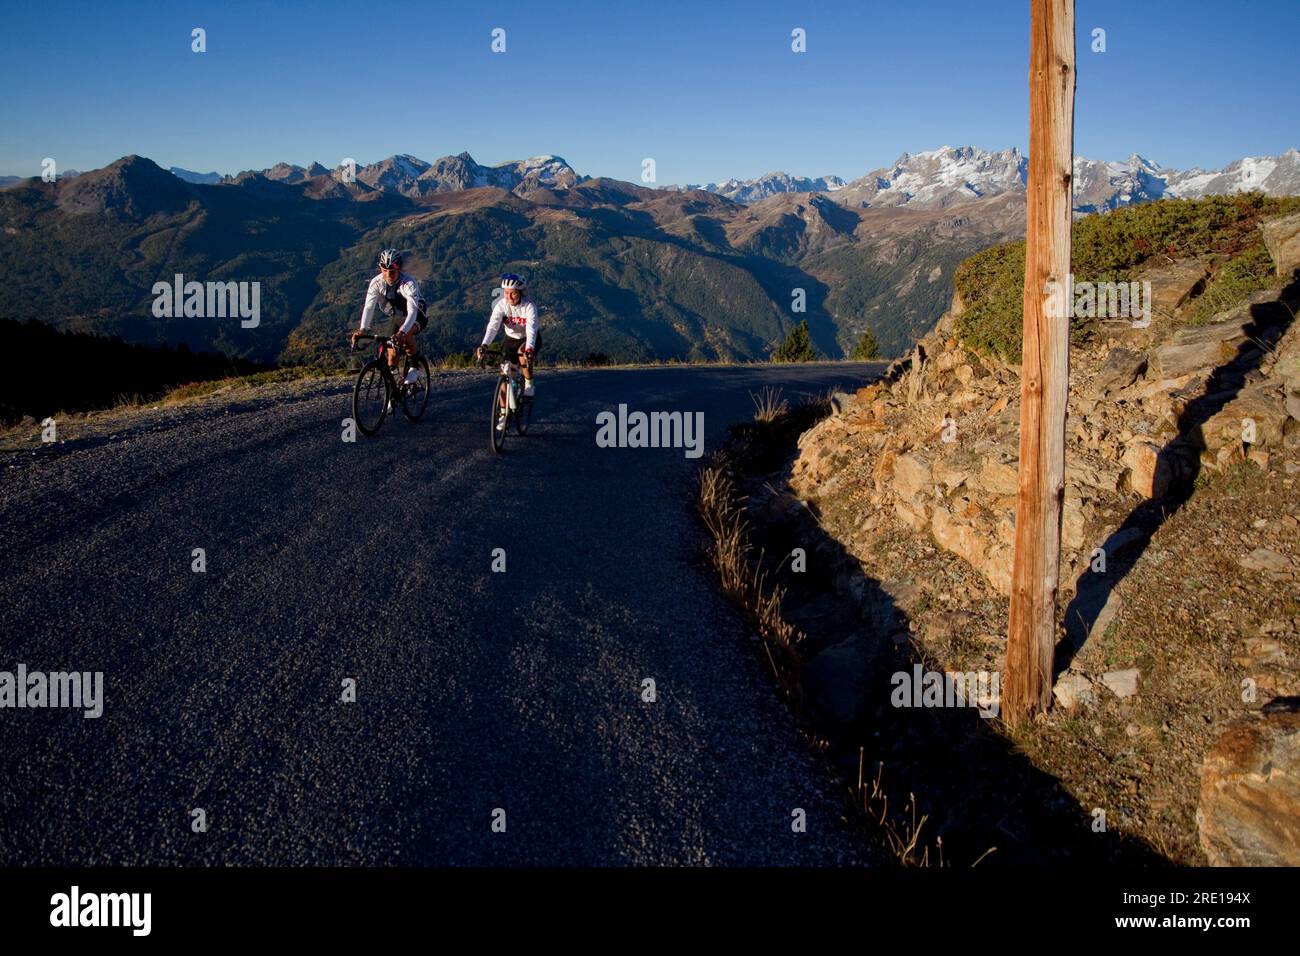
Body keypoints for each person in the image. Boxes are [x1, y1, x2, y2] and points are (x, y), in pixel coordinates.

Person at [350, 249, 426, 387]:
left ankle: (414, 368)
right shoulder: (376, 282)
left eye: (392, 270)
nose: (388, 274)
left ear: (399, 268)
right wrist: (363, 329)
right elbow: (368, 307)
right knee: (391, 351)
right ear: (380, 268)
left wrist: (402, 332)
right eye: (384, 270)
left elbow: (412, 312)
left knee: (405, 335)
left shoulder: (408, 283)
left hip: (417, 314)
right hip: (396, 315)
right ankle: (394, 387)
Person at [475, 274, 540, 430]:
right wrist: (484, 345)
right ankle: (503, 415)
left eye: (513, 293)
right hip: (510, 340)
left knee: (523, 352)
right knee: (505, 374)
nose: (509, 296)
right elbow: (493, 326)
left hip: (528, 339)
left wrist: (530, 348)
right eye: (506, 293)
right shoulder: (501, 306)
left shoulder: (529, 306)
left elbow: (531, 329)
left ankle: (529, 384)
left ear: (520, 293)